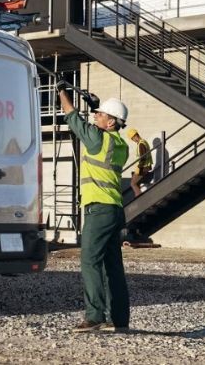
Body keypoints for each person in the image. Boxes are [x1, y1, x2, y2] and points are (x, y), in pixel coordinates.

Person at [56, 83, 130, 333]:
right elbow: (93, 124)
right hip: (114, 210)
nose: (96, 116)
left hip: (98, 210)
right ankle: (118, 320)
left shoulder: (98, 139)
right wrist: (94, 105)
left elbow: (73, 118)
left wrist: (61, 92)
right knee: (113, 266)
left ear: (111, 122)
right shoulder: (120, 144)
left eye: (101, 114)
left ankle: (95, 315)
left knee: (89, 260)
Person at [127, 128, 153, 197]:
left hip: (143, 168)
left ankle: (138, 198)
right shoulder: (143, 142)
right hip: (146, 167)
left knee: (133, 183)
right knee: (137, 183)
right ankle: (139, 195)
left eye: (133, 138)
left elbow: (143, 158)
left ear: (136, 135)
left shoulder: (141, 144)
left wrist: (139, 168)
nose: (133, 140)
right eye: (132, 139)